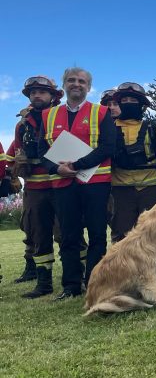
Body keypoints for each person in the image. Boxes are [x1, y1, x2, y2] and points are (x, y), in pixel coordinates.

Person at [41, 67, 115, 299]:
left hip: (95, 182)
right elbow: (40, 150)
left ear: (88, 87)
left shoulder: (101, 112)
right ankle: (71, 286)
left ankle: (95, 283)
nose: (77, 84)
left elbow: (108, 146)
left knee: (97, 235)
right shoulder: (48, 115)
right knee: (68, 236)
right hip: (62, 184)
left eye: (82, 81)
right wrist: (57, 168)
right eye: (72, 80)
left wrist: (77, 165)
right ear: (64, 85)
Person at [5, 76, 63, 297]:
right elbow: (15, 153)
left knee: (67, 234)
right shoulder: (22, 125)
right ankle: (43, 283)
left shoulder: (62, 117)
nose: (37, 95)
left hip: (60, 185)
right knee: (38, 236)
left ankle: (75, 280)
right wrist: (17, 169)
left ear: (52, 96)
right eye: (33, 92)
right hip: (35, 189)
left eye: (42, 92)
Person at [109, 82, 156, 242]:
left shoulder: (153, 128)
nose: (128, 103)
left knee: (154, 233)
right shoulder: (109, 128)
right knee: (122, 234)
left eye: (133, 100)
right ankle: (122, 267)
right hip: (120, 190)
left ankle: (155, 267)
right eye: (124, 100)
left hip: (151, 189)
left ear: (141, 105)